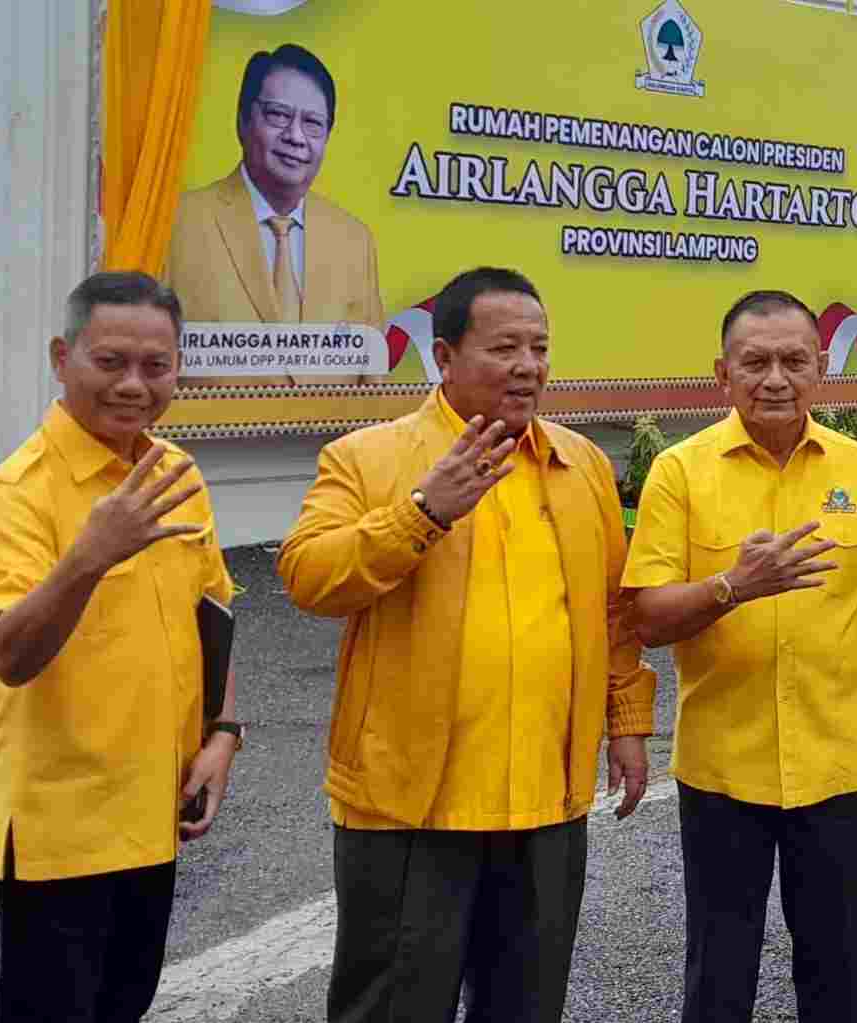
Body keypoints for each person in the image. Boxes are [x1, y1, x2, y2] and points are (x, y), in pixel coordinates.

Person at [277, 267, 655, 1023]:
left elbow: (612, 611)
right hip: (410, 808)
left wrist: (626, 722)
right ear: (444, 356)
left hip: (545, 801)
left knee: (525, 1004)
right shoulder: (370, 458)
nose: (528, 366)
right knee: (393, 1007)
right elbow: (308, 576)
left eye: (539, 348)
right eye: (505, 348)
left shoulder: (580, 464)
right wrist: (421, 512)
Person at [623, 289, 857, 1023]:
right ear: (722, 374)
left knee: (835, 972)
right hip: (722, 772)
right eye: (755, 362)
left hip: (838, 769)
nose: (775, 379)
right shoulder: (679, 472)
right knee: (718, 973)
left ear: (821, 369)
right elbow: (646, 617)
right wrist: (733, 586)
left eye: (794, 361)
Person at [0, 271, 242, 1022]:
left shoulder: (175, 473)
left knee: (125, 1005)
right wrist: (89, 556)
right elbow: (10, 656)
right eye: (110, 362)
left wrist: (223, 734)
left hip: (154, 817)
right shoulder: (19, 491)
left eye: (156, 365)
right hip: (60, 830)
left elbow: (213, 616)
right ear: (63, 358)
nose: (134, 385)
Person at [166, 43, 385, 388]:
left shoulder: (355, 240)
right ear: (242, 121)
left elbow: (372, 383)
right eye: (278, 115)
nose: (295, 137)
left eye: (313, 123)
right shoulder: (176, 223)